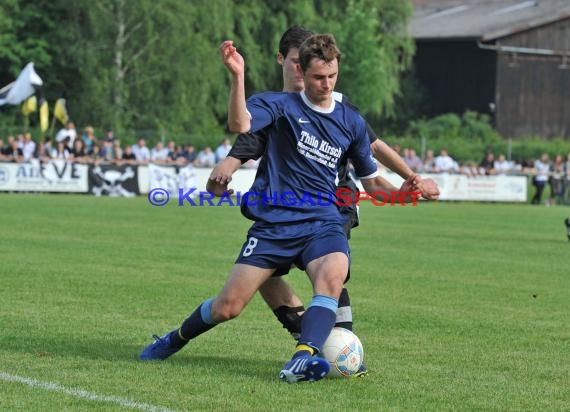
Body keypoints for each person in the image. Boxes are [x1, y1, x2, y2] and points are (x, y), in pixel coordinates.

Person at [140, 34, 423, 384]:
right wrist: (237, 77)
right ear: (302, 72)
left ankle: (302, 358)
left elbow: (374, 184)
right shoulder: (278, 107)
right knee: (227, 307)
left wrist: (407, 193)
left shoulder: (350, 120)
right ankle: (174, 339)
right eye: (319, 77)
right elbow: (240, 125)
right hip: (275, 224)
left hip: (323, 220)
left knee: (332, 276)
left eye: (332, 76)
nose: (326, 84)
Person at [206, 25, 439, 375]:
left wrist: (411, 179)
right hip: (280, 205)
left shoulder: (341, 108)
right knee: (266, 278)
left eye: (323, 70)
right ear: (284, 61)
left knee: (330, 270)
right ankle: (313, 341)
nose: (312, 75)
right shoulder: (277, 105)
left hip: (334, 199)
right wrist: (229, 161)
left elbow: (375, 148)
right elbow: (250, 135)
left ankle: (339, 341)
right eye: (300, 62)